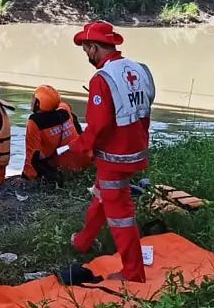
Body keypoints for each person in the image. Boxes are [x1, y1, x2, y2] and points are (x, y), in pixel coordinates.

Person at [68, 21, 156, 283]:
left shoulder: (102, 78)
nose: (86, 55)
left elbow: (99, 125)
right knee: (101, 195)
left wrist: (78, 149)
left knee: (121, 217)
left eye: (86, 50)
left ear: (94, 47)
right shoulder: (140, 70)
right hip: (135, 148)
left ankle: (133, 273)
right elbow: (145, 109)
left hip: (114, 157)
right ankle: (84, 241)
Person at [23, 84, 87, 186]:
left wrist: (26, 176)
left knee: (37, 158)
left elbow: (31, 152)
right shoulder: (64, 109)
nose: (31, 101)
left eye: (34, 99)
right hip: (84, 159)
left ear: (38, 103)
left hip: (65, 168)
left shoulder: (35, 122)